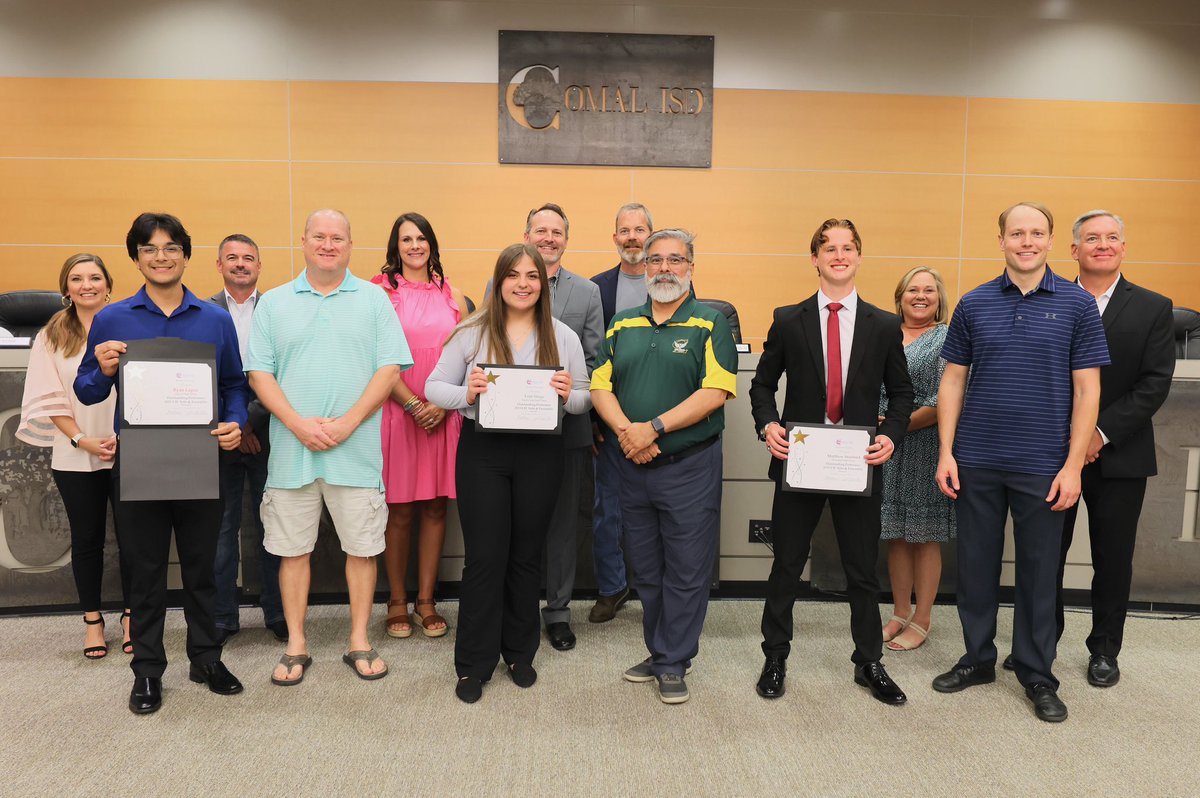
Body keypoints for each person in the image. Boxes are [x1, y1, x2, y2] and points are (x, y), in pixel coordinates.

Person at [933, 201, 1108, 723]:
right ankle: (978, 659)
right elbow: (953, 380)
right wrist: (946, 451)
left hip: (1044, 464)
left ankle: (1037, 674)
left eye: (1036, 233)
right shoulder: (974, 303)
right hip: (977, 459)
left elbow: (1087, 389)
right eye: (1016, 233)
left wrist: (1074, 464)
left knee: (1038, 573)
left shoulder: (1078, 305)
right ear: (1002, 241)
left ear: (1052, 241)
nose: (1026, 241)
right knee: (977, 566)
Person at [75, 212, 248, 714]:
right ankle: (148, 671)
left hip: (201, 461)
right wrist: (102, 367)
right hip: (141, 465)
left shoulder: (214, 318)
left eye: (171, 247)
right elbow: (87, 390)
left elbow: (234, 384)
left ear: (186, 255)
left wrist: (235, 423)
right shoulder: (113, 317)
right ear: (136, 258)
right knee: (144, 571)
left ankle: (206, 657)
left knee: (202, 569)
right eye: (149, 249)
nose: (161, 256)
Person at [750, 218, 914, 706]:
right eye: (829, 249)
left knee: (862, 569)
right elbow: (761, 385)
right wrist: (769, 425)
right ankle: (775, 655)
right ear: (815, 259)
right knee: (787, 563)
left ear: (859, 257)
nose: (839, 256)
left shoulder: (884, 324)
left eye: (848, 248)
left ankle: (868, 662)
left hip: (858, 462)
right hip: (800, 461)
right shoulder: (788, 318)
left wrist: (890, 435)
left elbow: (902, 394)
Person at [246, 209, 412, 686]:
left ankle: (358, 638)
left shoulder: (374, 301)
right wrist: (298, 425)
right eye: (319, 236)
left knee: (361, 549)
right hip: (292, 453)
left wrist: (348, 423)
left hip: (355, 452)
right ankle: (297, 643)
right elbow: (260, 374)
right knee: (292, 551)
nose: (328, 244)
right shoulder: (274, 304)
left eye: (337, 237)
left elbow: (389, 370)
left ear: (350, 245)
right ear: (303, 242)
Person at [426, 243, 591, 704]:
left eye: (532, 276)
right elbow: (433, 386)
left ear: (543, 283)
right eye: (513, 275)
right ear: (498, 282)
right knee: (485, 557)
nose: (523, 284)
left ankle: (520, 653)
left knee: (525, 556)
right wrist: (468, 393)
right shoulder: (472, 331)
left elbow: (585, 397)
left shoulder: (563, 336)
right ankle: (473, 663)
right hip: (484, 453)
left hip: (542, 453)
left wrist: (565, 394)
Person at [591, 228, 738, 705]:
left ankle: (675, 660)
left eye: (676, 260)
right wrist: (627, 434)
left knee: (687, 568)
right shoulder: (622, 324)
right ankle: (659, 651)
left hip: (689, 467)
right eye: (656, 260)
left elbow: (714, 393)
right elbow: (599, 387)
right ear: (644, 267)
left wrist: (651, 428)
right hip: (632, 463)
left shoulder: (712, 323)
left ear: (691, 268)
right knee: (647, 567)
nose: (665, 268)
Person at [1052, 210, 1174, 687]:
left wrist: (1096, 436)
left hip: (1118, 453)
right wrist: (1070, 441)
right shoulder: (1050, 299)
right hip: (1052, 451)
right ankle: (1041, 643)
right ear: (1074, 249)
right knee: (1047, 555)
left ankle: (1104, 650)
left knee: (1112, 557)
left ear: (1123, 247)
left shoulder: (1153, 306)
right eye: (1091, 238)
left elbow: (1153, 384)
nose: (1102, 245)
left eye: (1112, 238)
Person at [18, 253, 130, 659]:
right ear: (66, 288)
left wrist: (124, 436)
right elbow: (49, 398)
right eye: (77, 279)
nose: (87, 285)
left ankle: (132, 616)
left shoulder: (126, 324)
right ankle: (93, 622)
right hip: (75, 452)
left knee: (135, 539)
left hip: (128, 449)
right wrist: (82, 439)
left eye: (95, 277)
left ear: (108, 284)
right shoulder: (52, 334)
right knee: (88, 541)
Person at [371, 212, 468, 639]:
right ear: (396, 245)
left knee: (434, 506)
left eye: (421, 238)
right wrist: (413, 404)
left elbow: (470, 358)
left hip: (443, 415)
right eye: (406, 239)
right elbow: (373, 359)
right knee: (399, 509)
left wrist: (442, 406)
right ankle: (396, 600)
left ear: (432, 244)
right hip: (396, 412)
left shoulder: (454, 296)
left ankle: (426, 600)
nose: (414, 245)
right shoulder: (377, 293)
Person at [522, 204, 603, 651]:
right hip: (512, 429)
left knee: (562, 527)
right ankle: (518, 606)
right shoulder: (503, 281)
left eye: (556, 231)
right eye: (540, 230)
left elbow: (594, 362)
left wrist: (566, 389)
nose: (548, 238)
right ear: (527, 234)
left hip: (567, 427)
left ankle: (557, 612)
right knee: (517, 522)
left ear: (565, 239)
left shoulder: (587, 293)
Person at [208, 234, 286, 644]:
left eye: (249, 258)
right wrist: (233, 427)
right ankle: (222, 618)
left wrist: (250, 423)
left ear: (259, 266)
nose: (241, 264)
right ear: (219, 265)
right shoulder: (203, 312)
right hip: (217, 438)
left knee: (272, 526)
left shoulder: (277, 310)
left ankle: (276, 612)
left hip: (269, 436)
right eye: (232, 258)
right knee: (221, 533)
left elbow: (283, 370)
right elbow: (202, 379)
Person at [878, 267, 956, 652]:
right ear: (900, 295)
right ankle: (898, 612)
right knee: (895, 532)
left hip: (925, 445)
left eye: (929, 290)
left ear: (939, 298)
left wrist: (895, 425)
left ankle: (922, 618)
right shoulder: (883, 332)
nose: (920, 296)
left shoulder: (948, 338)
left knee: (924, 536)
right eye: (913, 289)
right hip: (883, 449)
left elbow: (946, 400)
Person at [586, 202, 653, 624]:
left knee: (656, 508)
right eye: (624, 230)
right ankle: (611, 588)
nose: (632, 237)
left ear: (651, 234)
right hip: (610, 421)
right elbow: (592, 358)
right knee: (607, 509)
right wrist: (595, 418)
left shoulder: (672, 281)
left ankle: (653, 586)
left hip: (660, 422)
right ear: (614, 238)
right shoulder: (597, 288)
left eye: (640, 229)